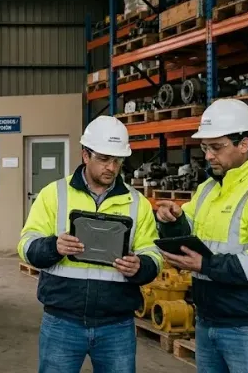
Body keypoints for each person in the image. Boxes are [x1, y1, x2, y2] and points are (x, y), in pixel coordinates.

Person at [155, 98, 248, 373]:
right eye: (205, 147)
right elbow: (190, 234)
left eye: (217, 147)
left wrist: (205, 265)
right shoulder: (209, 189)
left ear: (243, 144)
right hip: (209, 319)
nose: (209, 155)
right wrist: (173, 221)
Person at [17, 115, 164, 373]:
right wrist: (54, 247)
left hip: (116, 325)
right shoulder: (54, 193)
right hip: (62, 321)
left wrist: (140, 266)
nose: (111, 167)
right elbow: (27, 246)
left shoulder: (137, 202)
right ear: (86, 155)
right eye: (104, 159)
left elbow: (153, 253)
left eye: (117, 161)